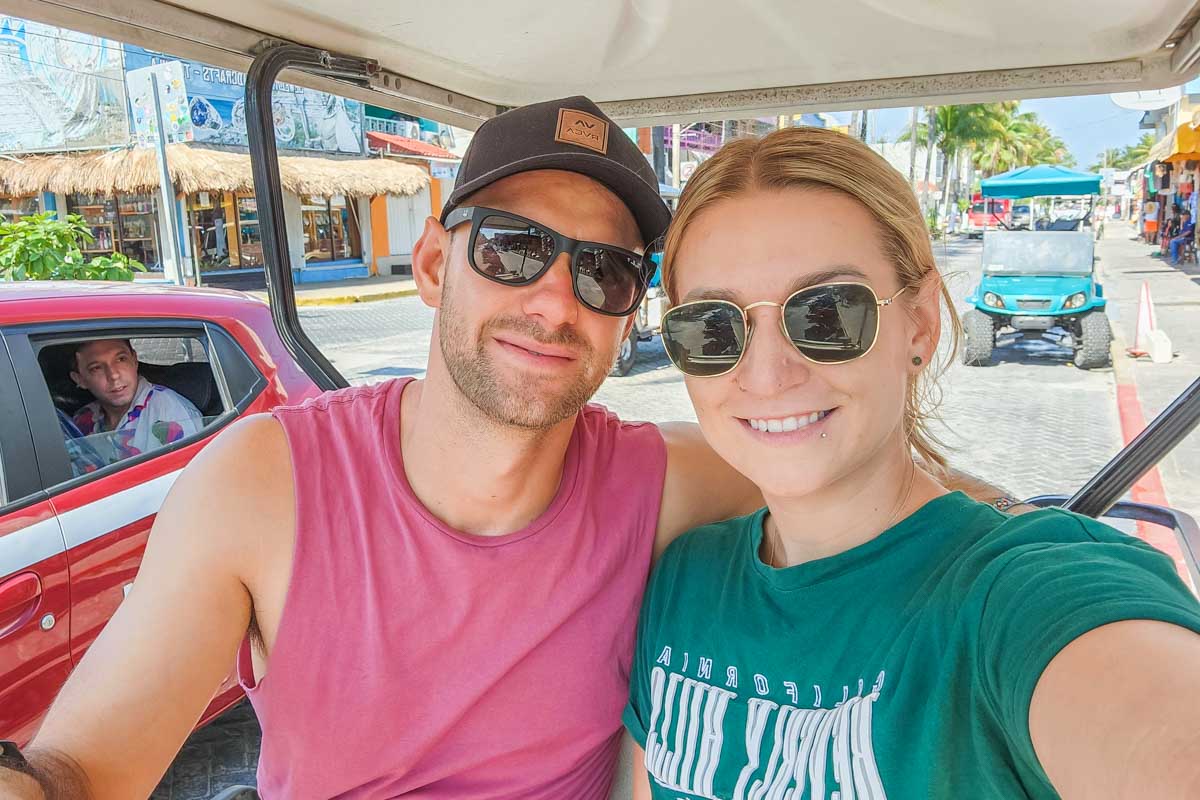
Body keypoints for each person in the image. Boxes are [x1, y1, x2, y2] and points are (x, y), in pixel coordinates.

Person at [0, 98, 1017, 800]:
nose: (553, 299)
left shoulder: (660, 480)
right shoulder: (265, 483)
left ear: (628, 322)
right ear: (437, 261)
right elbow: (82, 770)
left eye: (606, 274)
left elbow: (876, 483)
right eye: (514, 247)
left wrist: (1040, 541)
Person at [624, 127, 1200, 798]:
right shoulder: (685, 583)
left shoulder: (1016, 593)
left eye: (828, 313)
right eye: (712, 327)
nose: (768, 374)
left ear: (920, 323)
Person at [71, 338, 203, 459]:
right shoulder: (82, 419)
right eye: (96, 368)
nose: (114, 375)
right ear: (80, 379)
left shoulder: (171, 412)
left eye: (121, 359)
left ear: (134, 360)